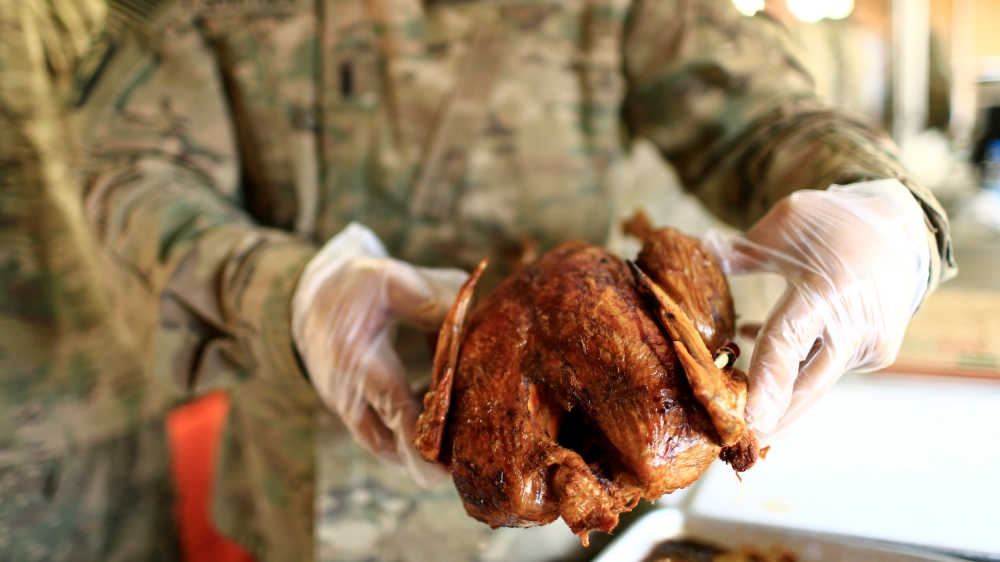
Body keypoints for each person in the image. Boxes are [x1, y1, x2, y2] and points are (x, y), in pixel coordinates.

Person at [7, 0, 956, 559]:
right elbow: (128, 172)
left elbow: (763, 118)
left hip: (579, 510)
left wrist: (893, 210)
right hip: (310, 491)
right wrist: (288, 293)